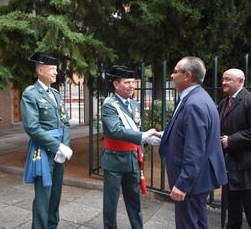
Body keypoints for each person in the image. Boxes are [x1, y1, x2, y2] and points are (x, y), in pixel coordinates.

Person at [158, 56, 228, 228]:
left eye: (175, 71)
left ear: (187, 75)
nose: (172, 76)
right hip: (199, 179)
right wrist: (165, 135)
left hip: (192, 181)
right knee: (199, 222)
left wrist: (182, 184)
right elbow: (192, 135)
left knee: (187, 224)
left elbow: (194, 150)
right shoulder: (199, 97)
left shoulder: (193, 104)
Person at [100, 65, 158, 229]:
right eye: (127, 82)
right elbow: (115, 130)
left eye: (133, 82)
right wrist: (142, 136)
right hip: (114, 160)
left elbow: (135, 129)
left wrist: (147, 138)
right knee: (110, 203)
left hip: (132, 158)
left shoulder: (133, 103)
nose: (132, 86)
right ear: (116, 84)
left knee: (134, 201)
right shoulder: (109, 105)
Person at [20, 52, 72, 229]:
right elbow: (32, 127)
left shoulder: (55, 94)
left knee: (55, 196)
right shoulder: (31, 94)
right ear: (40, 70)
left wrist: (64, 146)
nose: (56, 73)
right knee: (43, 198)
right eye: (52, 69)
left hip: (59, 151)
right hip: (42, 151)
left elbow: (65, 122)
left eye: (56, 69)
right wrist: (57, 146)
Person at [218, 68, 251, 229]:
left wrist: (230, 140)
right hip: (230, 167)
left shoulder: (249, 100)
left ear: (241, 81)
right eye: (223, 79)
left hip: (247, 168)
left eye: (228, 79)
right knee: (233, 212)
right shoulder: (224, 103)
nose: (224, 82)